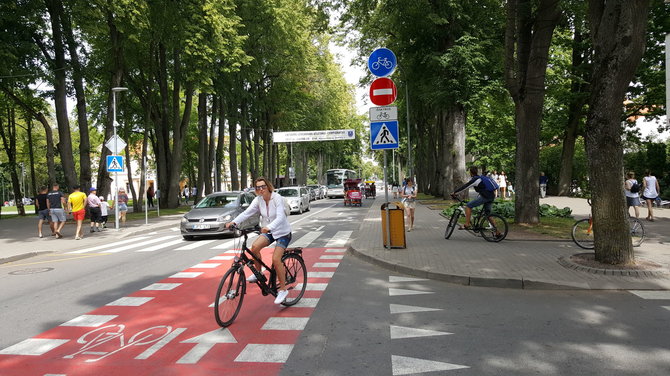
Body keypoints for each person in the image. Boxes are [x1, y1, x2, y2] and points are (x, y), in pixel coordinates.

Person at [225, 177, 292, 305]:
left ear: (268, 186)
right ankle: (258, 273)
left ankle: (283, 290)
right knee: (254, 247)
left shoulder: (276, 197)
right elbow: (247, 213)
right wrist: (234, 222)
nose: (261, 189)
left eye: (263, 186)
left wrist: (269, 227)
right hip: (270, 232)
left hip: (282, 233)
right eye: (258, 188)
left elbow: (281, 217)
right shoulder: (258, 200)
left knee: (276, 259)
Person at [452, 166, 499, 233]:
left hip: (485, 197)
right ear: (476, 171)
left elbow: (465, 186)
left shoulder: (475, 179)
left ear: (471, 172)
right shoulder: (481, 178)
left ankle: (467, 224)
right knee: (488, 215)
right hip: (491, 196)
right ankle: (497, 232)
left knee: (468, 206)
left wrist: (455, 192)